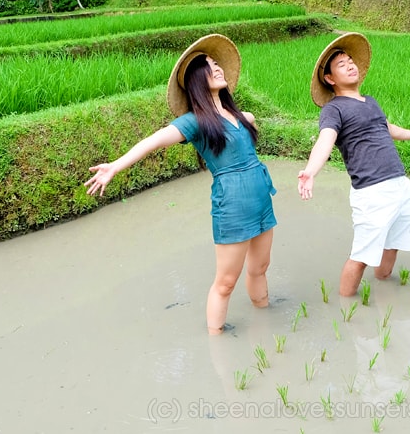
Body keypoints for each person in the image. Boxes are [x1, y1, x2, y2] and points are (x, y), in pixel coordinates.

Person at [85, 34, 277, 335]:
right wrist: (115, 166)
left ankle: (266, 321)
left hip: (261, 196)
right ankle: (217, 341)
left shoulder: (242, 116)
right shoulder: (195, 122)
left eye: (217, 63)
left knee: (260, 268)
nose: (217, 68)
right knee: (226, 282)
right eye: (208, 66)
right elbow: (155, 140)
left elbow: (247, 140)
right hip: (233, 204)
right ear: (196, 81)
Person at [297, 32, 410, 297]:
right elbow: (326, 139)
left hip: (399, 184)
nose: (350, 65)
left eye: (351, 60)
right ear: (330, 79)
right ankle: (346, 308)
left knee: (393, 244)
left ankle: (384, 285)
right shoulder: (334, 110)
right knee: (361, 255)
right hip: (372, 192)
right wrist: (311, 172)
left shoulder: (370, 101)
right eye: (341, 64)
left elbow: (385, 128)